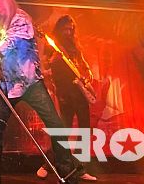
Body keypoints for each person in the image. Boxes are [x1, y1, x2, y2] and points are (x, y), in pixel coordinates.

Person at [0, 0, 86, 184]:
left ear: (7, 7)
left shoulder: (22, 20)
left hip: (30, 83)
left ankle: (68, 174)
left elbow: (7, 46)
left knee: (55, 125)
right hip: (6, 83)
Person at [39, 15, 97, 180]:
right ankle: (47, 164)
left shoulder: (74, 44)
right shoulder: (53, 46)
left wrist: (87, 72)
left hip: (79, 91)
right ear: (59, 29)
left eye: (71, 29)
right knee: (63, 131)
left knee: (85, 129)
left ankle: (80, 168)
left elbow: (81, 61)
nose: (68, 32)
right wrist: (53, 61)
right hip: (65, 92)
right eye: (65, 29)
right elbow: (45, 69)